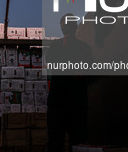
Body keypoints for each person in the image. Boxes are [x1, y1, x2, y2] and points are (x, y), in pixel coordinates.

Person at [46, 13, 93, 152]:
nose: (65, 26)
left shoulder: (84, 47)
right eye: (63, 24)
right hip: (57, 103)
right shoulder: (55, 46)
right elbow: (52, 64)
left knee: (78, 142)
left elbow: (85, 70)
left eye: (68, 23)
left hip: (77, 103)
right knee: (55, 142)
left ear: (75, 26)